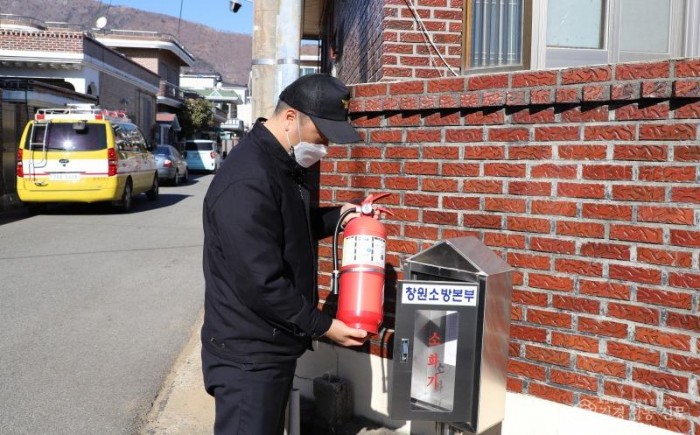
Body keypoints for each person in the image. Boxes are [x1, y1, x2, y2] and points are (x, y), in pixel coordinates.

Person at [201, 73, 370, 435]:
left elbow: (291, 227)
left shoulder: (281, 165)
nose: (324, 145)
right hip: (248, 357)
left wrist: (342, 212)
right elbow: (262, 283)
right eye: (321, 134)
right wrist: (325, 327)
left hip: (270, 346)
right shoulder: (248, 180)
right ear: (291, 118)